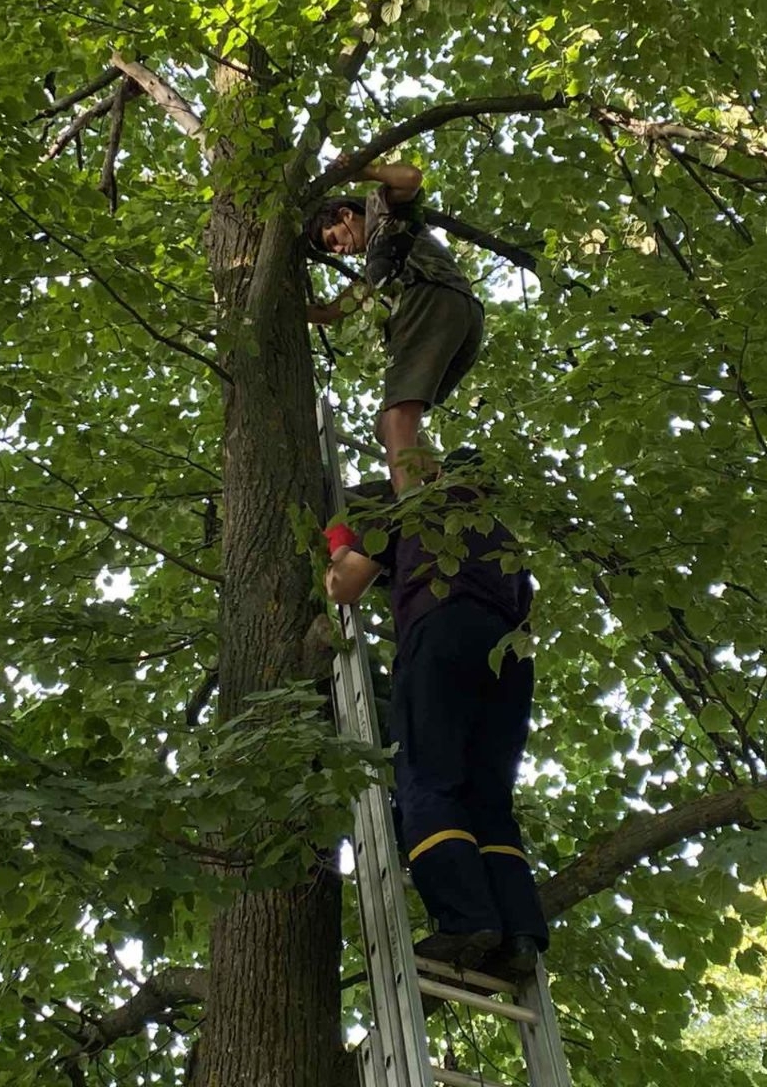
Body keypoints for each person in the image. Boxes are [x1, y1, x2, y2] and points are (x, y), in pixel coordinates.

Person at [322, 457, 549, 974]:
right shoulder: (506, 542)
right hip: (511, 660)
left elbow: (343, 586)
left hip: (441, 632)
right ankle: (520, 937)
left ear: (440, 478)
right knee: (488, 801)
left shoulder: (418, 509)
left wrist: (340, 540)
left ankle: (466, 919)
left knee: (428, 778)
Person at [305, 156, 484, 495]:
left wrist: (363, 171)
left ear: (345, 214)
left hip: (428, 300)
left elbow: (411, 177)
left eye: (334, 240)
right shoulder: (378, 264)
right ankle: (445, 484)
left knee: (399, 414)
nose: (341, 250)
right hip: (461, 315)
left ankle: (411, 508)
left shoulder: (380, 210)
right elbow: (332, 312)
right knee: (386, 426)